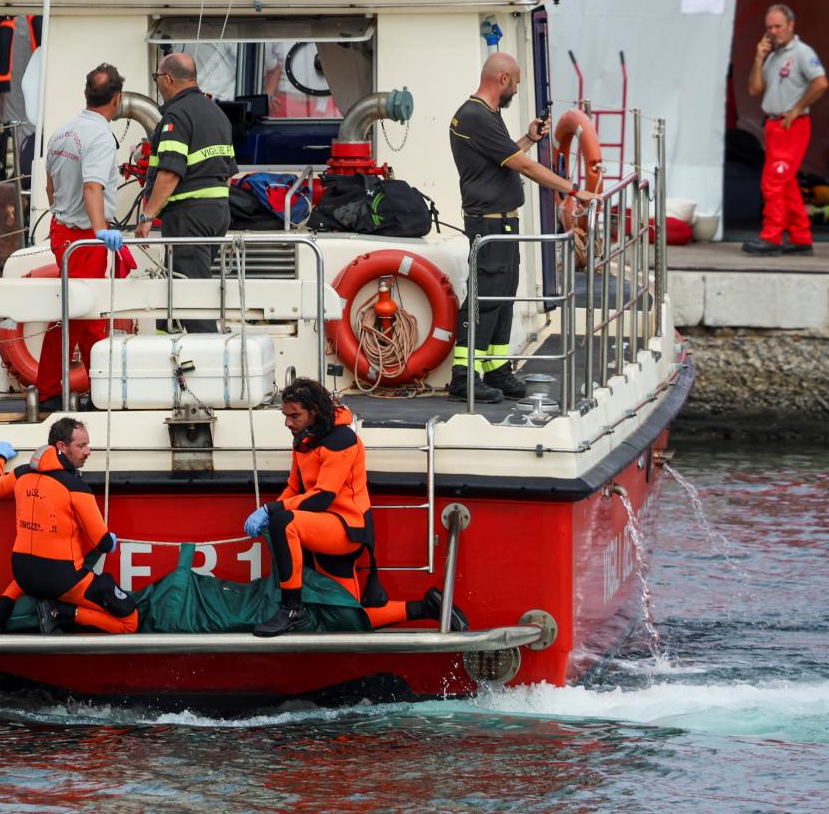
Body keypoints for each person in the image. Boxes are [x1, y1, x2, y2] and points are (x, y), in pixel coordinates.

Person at [244, 378, 469, 637]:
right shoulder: (304, 441)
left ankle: (292, 609)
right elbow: (295, 488)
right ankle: (426, 608)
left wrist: (272, 511)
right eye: (285, 416)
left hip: (345, 529)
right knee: (347, 619)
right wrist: (270, 509)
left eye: (294, 416)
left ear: (314, 412)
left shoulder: (342, 440)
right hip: (318, 528)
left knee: (283, 522)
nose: (288, 423)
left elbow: (322, 497)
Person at [449, 52, 595, 402]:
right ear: (503, 79)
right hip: (489, 223)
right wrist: (574, 189)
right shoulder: (475, 116)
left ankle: (496, 369)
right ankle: (464, 375)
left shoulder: (485, 116)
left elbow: (502, 158)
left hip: (503, 225)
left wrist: (528, 138)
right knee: (485, 300)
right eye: (515, 82)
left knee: (504, 299)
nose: (515, 89)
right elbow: (525, 168)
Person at [36, 63, 136, 412]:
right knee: (90, 316)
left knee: (71, 315)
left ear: (85, 95)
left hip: (62, 231)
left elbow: (50, 187)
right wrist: (99, 233)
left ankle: (52, 388)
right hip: (84, 236)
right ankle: (96, 392)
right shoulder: (100, 138)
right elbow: (93, 186)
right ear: (118, 99)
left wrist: (66, 214)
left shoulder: (62, 132)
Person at [0, 418, 139, 635]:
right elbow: (100, 542)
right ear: (61, 447)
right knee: (130, 622)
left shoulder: (22, 473)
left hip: (22, 573)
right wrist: (111, 541)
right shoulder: (76, 488)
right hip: (63, 582)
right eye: (81, 446)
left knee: (32, 567)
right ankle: (61, 611)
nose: (88, 451)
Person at [133, 52, 236, 332]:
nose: (158, 83)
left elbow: (169, 173)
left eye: (157, 78)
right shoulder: (216, 113)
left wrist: (147, 216)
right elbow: (227, 174)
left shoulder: (176, 115)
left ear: (167, 79)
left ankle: (208, 361)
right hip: (216, 214)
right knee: (181, 291)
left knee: (190, 299)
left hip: (188, 216)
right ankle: (169, 349)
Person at [743, 4, 828, 256]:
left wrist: (798, 108)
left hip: (791, 125)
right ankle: (802, 238)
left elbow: (821, 82)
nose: (773, 31)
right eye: (769, 27)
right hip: (774, 125)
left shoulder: (802, 52)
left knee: (773, 182)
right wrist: (758, 58)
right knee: (786, 183)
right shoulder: (773, 56)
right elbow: (755, 90)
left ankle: (771, 237)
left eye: (778, 26)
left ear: (791, 25)